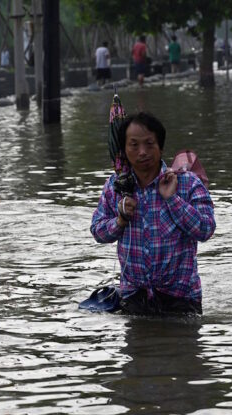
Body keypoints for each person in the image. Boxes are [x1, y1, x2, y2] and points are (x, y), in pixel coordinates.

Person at [90, 112, 215, 315]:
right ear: (124, 149)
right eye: (134, 145)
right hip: (133, 297)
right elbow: (97, 231)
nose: (142, 152)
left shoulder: (187, 183)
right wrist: (120, 220)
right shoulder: (116, 186)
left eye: (149, 144)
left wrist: (172, 200)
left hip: (180, 297)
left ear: (161, 147)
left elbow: (206, 229)